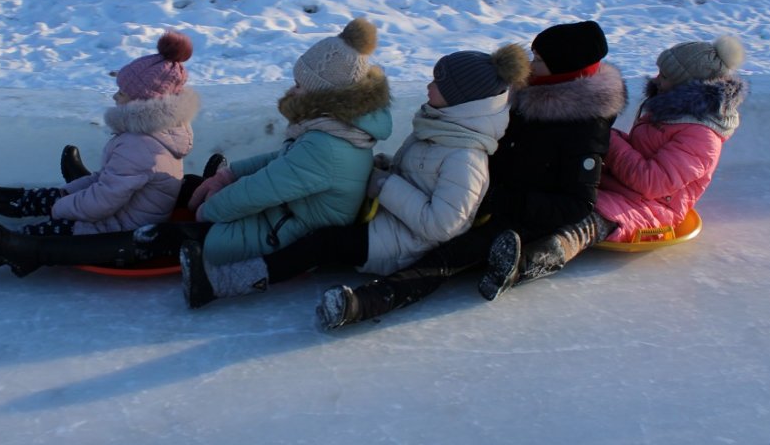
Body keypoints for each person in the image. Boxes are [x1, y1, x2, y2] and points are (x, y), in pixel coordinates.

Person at [0, 17, 394, 299]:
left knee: (156, 238)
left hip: (281, 233)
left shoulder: (328, 146)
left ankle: (38, 250)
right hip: (284, 215)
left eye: (302, 86)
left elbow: (266, 188)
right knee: (188, 187)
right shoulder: (335, 131)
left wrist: (211, 208)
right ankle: (87, 192)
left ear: (328, 95)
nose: (294, 90)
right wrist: (227, 176)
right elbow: (281, 161)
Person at [316, 20, 628, 329]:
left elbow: (577, 204)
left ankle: (365, 303)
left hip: (517, 213)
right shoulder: (527, 93)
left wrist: (501, 200)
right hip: (474, 188)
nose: (530, 65)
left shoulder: (584, 128)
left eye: (539, 60)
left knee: (448, 256)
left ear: (565, 68)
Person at [177, 43, 531, 309]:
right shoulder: (441, 128)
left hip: (402, 244)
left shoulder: (466, 157)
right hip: (384, 218)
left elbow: (442, 225)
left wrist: (385, 184)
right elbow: (419, 175)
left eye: (438, 83)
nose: (428, 85)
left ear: (459, 99)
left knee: (321, 244)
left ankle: (225, 283)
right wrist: (387, 167)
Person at [0, 30, 201, 287]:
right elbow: (108, 182)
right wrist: (65, 194)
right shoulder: (155, 133)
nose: (115, 97)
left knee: (23, 241)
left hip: (117, 229)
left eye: (121, 92)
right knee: (44, 198)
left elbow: (102, 202)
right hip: (120, 214)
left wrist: (59, 207)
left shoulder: (141, 145)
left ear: (143, 102)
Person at [487, 34, 748, 285]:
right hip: (622, 187)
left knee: (588, 222)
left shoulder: (702, 137)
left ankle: (531, 262)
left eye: (665, 76)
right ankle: (502, 238)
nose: (656, 79)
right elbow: (639, 148)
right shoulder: (669, 111)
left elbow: (653, 182)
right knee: (563, 196)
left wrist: (607, 140)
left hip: (655, 206)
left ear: (688, 86)